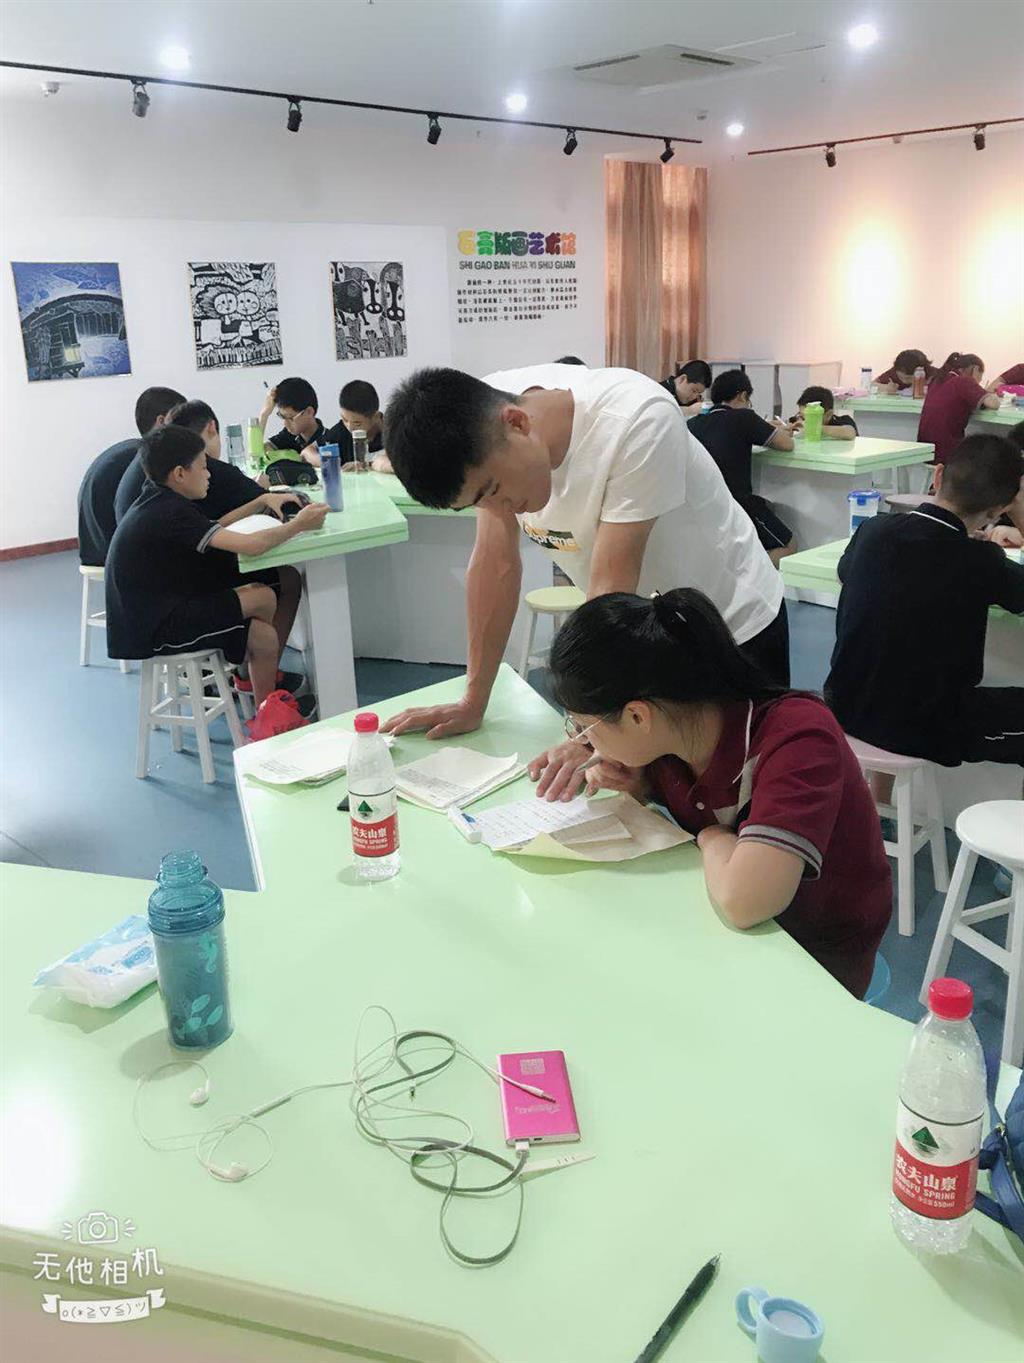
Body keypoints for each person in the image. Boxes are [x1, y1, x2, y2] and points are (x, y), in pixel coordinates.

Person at [382, 364, 791, 795]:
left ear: (517, 423)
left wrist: (584, 734)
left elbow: (610, 589)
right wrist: (473, 701)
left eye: (493, 491)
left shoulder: (635, 419)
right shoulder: (480, 417)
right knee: (660, 796)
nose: (500, 509)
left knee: (746, 796)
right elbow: (494, 565)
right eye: (478, 503)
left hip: (731, 623)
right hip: (645, 634)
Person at [547, 587, 892, 998]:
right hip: (727, 932)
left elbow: (747, 901)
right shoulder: (674, 735)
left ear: (638, 716)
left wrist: (712, 837)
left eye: (583, 727)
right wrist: (639, 786)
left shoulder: (799, 738)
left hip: (814, 955)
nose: (584, 741)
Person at [825, 434, 1024, 767]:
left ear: (938, 475)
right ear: (999, 509)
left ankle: (878, 795)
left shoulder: (873, 530)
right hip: (925, 729)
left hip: (844, 707)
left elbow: (847, 571)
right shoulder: (981, 561)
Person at [105, 425, 328, 708]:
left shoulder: (159, 497)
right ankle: (256, 678)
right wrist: (299, 525)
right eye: (203, 467)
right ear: (180, 473)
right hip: (155, 628)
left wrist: (261, 500)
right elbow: (252, 546)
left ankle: (265, 706)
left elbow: (213, 527)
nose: (209, 474)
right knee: (263, 596)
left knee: (263, 632)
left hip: (158, 609)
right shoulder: (170, 511)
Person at [687, 369, 797, 565]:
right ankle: (749, 577)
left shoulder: (694, 424)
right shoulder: (744, 417)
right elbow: (787, 444)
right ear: (742, 395)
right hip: (736, 505)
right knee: (788, 546)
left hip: (699, 507)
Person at [77, 386, 184, 566]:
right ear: (162, 421)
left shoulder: (127, 451)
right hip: (114, 557)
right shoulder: (145, 460)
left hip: (93, 551)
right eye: (182, 420)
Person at [917, 352, 1001, 464]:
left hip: (925, 449)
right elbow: (993, 403)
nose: (979, 382)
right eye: (980, 376)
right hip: (946, 450)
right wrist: (990, 393)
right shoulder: (964, 381)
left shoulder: (939, 379)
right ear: (976, 369)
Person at [256, 377, 328, 483]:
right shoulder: (289, 435)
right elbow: (256, 454)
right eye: (282, 417)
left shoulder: (328, 439)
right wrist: (264, 414)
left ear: (309, 412)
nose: (285, 424)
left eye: (290, 418)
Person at [334, 380, 392, 473]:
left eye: (357, 423)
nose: (350, 427)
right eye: (345, 419)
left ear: (375, 417)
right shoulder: (342, 429)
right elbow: (311, 450)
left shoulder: (393, 431)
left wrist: (369, 464)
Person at [792, 386, 858, 441]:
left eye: (810, 417)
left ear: (828, 415)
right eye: (802, 416)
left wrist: (813, 428)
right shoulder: (798, 421)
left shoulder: (843, 421)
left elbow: (850, 433)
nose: (804, 421)